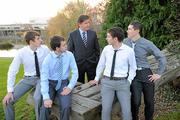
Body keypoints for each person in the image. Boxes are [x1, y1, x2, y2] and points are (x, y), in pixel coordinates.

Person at [89, 27, 137, 120]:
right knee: (106, 109)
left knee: (127, 110)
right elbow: (101, 64)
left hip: (123, 83)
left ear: (115, 39)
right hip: (107, 83)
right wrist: (96, 78)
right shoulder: (106, 49)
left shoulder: (129, 51)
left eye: (108, 36)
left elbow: (133, 67)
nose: (106, 38)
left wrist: (129, 81)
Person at [123, 21, 167, 120]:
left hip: (146, 73)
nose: (127, 31)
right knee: (135, 101)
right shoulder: (125, 42)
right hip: (133, 75)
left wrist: (159, 73)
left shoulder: (147, 43)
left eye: (129, 29)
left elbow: (161, 57)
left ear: (137, 31)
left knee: (149, 102)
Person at [2, 31, 50, 120]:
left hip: (41, 79)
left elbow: (53, 62)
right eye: (38, 39)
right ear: (31, 41)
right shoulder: (21, 52)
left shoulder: (45, 49)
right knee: (7, 101)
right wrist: (9, 91)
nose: (41, 40)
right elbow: (12, 71)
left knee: (37, 98)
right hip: (27, 79)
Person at [40, 35, 78, 120]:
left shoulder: (69, 55)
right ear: (57, 48)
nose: (66, 46)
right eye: (64, 45)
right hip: (50, 83)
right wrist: (46, 97)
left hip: (63, 82)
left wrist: (70, 87)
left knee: (66, 106)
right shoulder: (48, 59)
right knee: (45, 107)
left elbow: (75, 72)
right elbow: (44, 79)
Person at [67, 15, 100, 83]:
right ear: (79, 24)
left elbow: (97, 49)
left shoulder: (93, 34)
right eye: (86, 23)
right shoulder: (73, 35)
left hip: (92, 64)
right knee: (79, 85)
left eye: (89, 23)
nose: (88, 25)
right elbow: (69, 51)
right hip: (78, 65)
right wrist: (73, 63)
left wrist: (95, 60)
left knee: (93, 85)